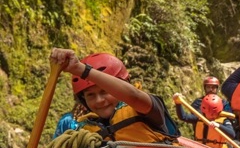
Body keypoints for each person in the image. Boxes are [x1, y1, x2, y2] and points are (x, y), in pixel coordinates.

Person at [50, 49, 180, 142]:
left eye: (105, 91)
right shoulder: (85, 130)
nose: (99, 100)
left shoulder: (146, 108)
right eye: (91, 95)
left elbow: (133, 96)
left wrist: (80, 69)